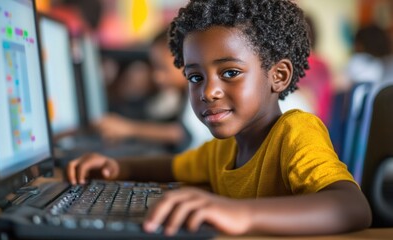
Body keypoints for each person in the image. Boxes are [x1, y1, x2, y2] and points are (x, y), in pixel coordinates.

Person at [68, 0, 372, 236]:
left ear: (278, 76)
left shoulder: (295, 131)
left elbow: (351, 206)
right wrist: (118, 167)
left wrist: (241, 214)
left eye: (230, 73)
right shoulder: (224, 150)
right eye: (195, 76)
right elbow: (171, 166)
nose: (209, 91)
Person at [97, 29, 212, 152]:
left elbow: (181, 134)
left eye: (162, 68)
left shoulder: (201, 93)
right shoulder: (180, 94)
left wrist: (128, 129)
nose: (156, 76)